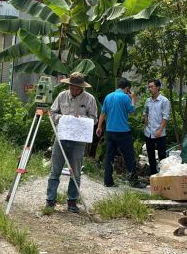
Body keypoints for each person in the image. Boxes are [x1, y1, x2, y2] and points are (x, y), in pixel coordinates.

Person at [46, 72, 98, 213]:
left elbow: (94, 119)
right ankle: (50, 200)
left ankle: (72, 201)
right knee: (55, 170)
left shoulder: (89, 99)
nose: (74, 90)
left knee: (76, 172)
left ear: (82, 87)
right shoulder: (62, 96)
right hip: (61, 137)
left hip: (78, 141)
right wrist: (64, 118)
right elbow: (52, 112)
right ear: (69, 85)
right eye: (72, 87)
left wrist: (81, 119)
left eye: (77, 88)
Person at [96, 78, 148, 188]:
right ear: (127, 88)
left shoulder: (108, 96)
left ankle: (108, 182)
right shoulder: (125, 97)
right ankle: (134, 181)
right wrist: (133, 98)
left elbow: (103, 113)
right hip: (123, 132)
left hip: (109, 131)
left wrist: (99, 127)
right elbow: (132, 111)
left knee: (109, 156)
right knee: (129, 156)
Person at [144, 79, 170, 176]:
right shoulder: (148, 100)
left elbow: (165, 116)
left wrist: (160, 130)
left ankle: (163, 176)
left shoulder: (164, 101)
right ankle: (153, 175)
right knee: (150, 155)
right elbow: (145, 112)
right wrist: (145, 122)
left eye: (151, 86)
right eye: (149, 87)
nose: (150, 89)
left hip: (160, 133)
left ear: (158, 87)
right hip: (148, 132)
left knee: (162, 155)